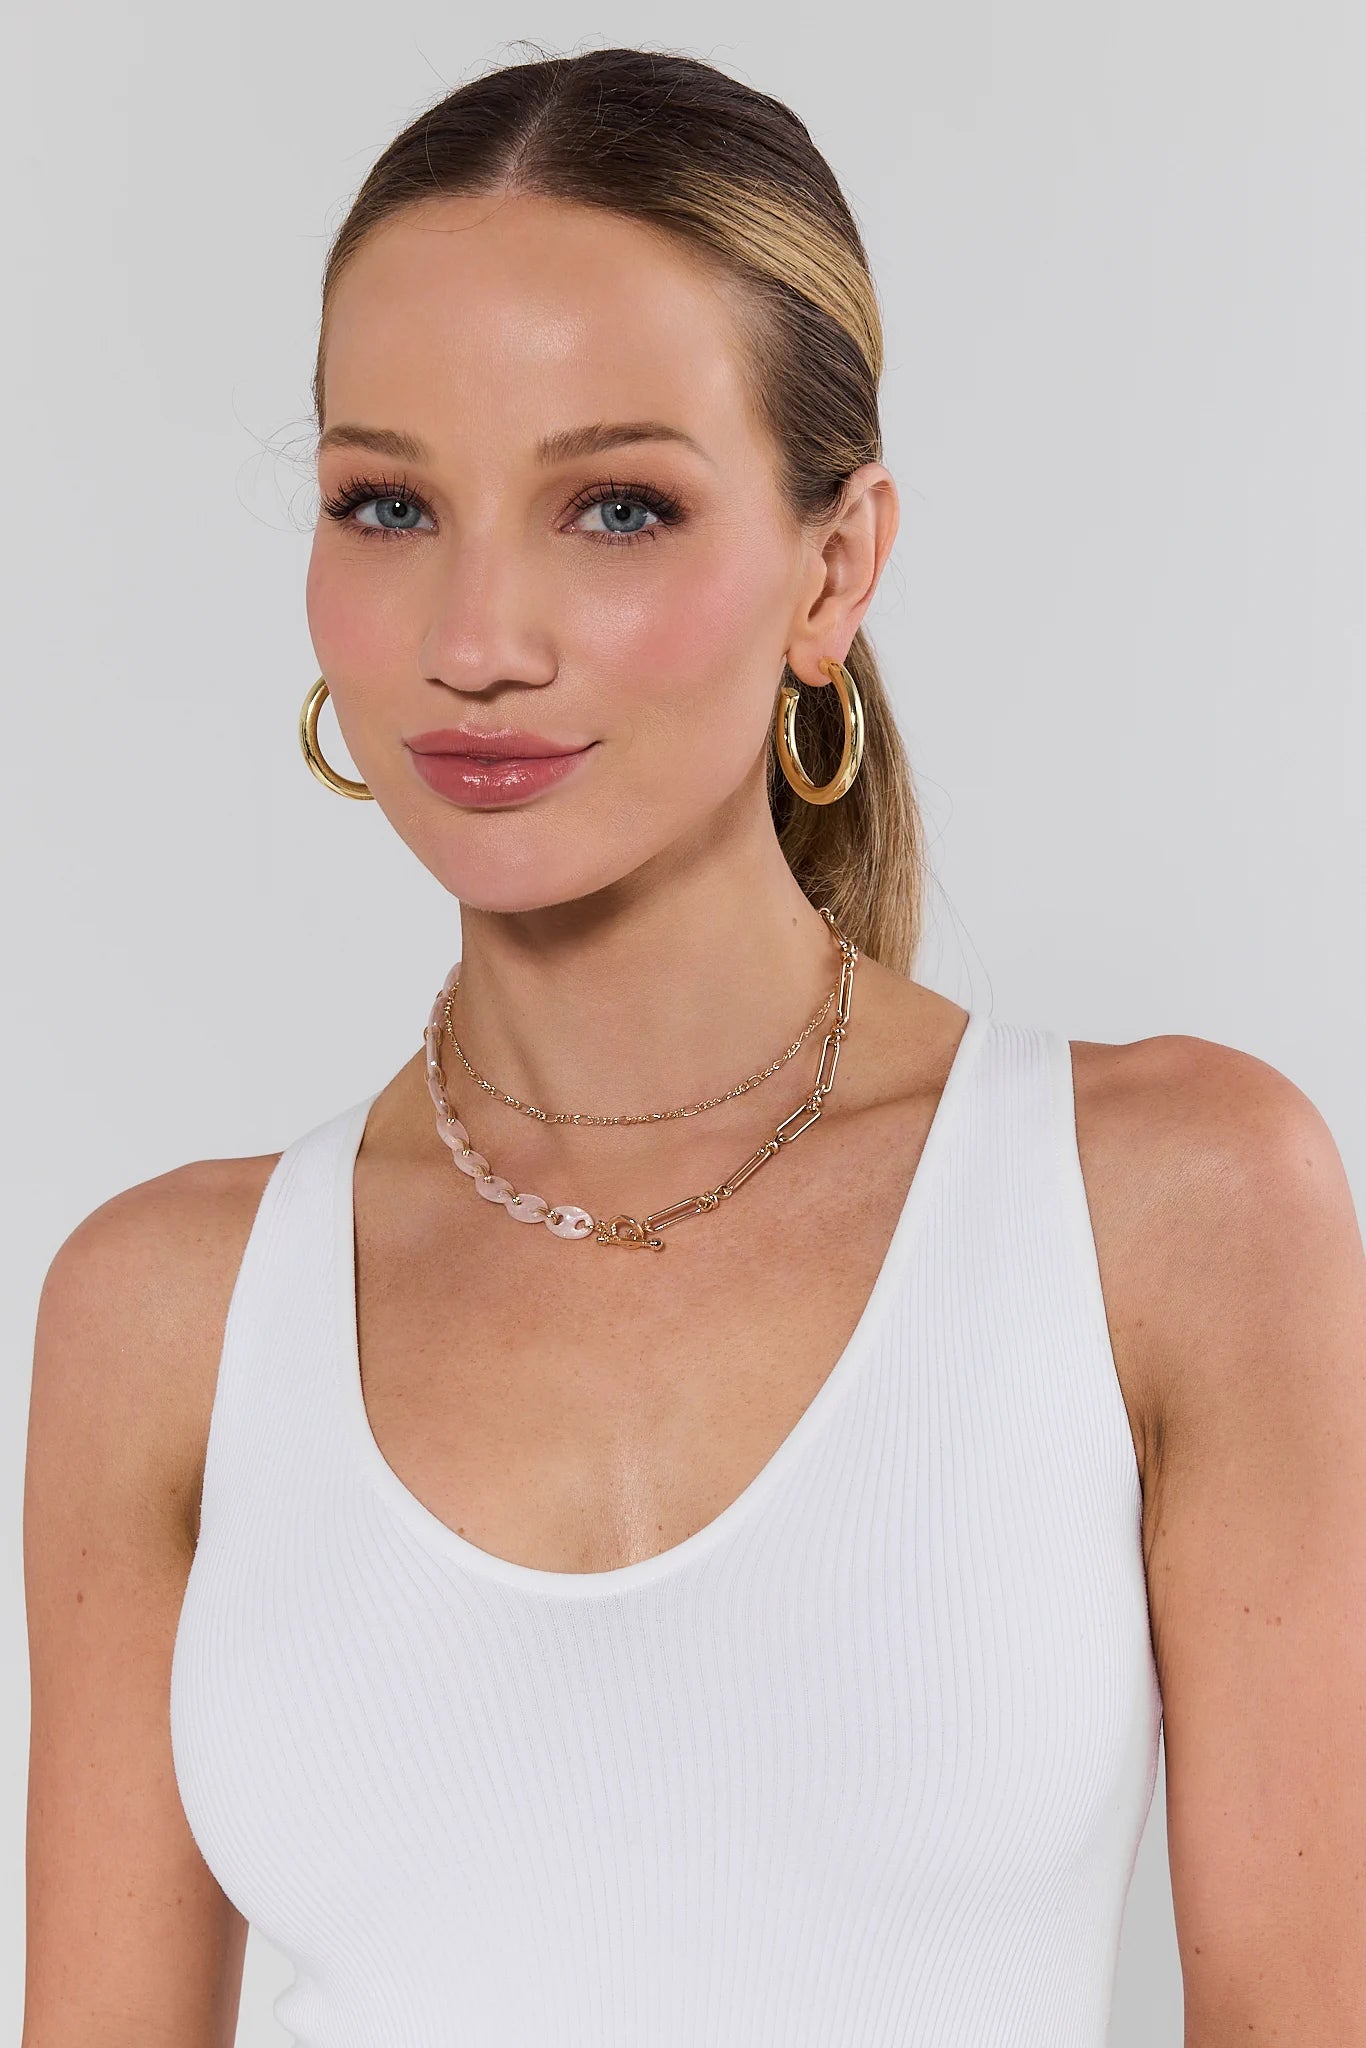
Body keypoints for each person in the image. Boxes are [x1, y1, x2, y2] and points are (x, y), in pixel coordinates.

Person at [23, 43, 1366, 2048]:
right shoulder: (160, 1310)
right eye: (385, 501)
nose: (476, 632)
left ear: (834, 566)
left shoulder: (1168, 1200)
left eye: (616, 506)